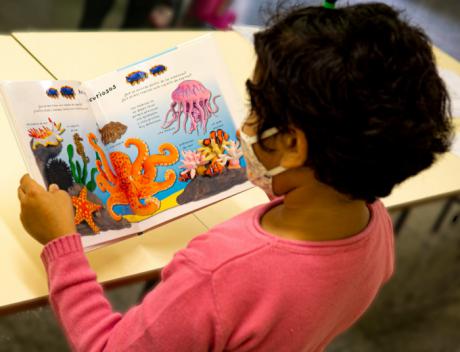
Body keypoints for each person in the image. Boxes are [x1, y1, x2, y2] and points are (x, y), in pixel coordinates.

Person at [18, 2, 452, 351]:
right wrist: (271, 181)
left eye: (257, 107)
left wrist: (62, 246)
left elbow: (108, 346)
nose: (246, 125)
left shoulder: (218, 273)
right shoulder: (374, 227)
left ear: (294, 145)